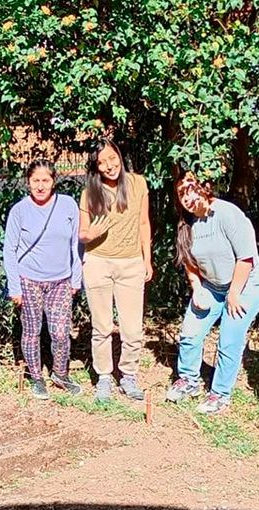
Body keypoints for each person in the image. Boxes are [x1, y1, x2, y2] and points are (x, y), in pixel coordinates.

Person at [165, 171, 259, 415]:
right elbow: (190, 262)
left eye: (191, 188)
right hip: (211, 286)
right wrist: (197, 288)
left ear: (204, 186)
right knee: (190, 332)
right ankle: (189, 379)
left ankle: (220, 394)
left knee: (228, 340)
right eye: (181, 193)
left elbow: (246, 258)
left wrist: (234, 293)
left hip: (245, 284)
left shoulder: (227, 214)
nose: (187, 196)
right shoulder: (187, 224)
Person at [3, 158, 83, 399]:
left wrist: (76, 278)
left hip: (61, 281)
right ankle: (36, 377)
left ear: (53, 181)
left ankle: (60, 373)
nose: (40, 186)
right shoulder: (19, 210)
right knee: (32, 330)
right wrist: (15, 286)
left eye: (45, 180)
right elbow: (10, 249)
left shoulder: (68, 205)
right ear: (28, 182)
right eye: (35, 180)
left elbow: (76, 244)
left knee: (60, 332)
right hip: (29, 280)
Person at [79, 140, 152, 403]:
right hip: (98, 263)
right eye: (102, 162)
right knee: (102, 327)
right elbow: (82, 233)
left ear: (119, 156)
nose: (109, 166)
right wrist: (90, 234)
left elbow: (144, 223)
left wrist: (148, 259)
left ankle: (129, 375)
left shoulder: (138, 183)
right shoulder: (90, 193)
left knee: (132, 329)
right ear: (96, 167)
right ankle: (104, 378)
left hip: (131, 264)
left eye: (112, 158)